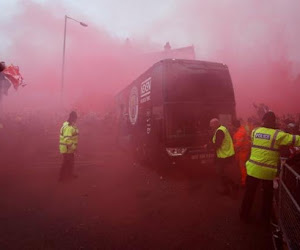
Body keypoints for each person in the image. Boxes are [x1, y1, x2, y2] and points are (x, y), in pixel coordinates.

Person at [240, 111, 300, 224]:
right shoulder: (278, 134)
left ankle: (244, 215)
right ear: (274, 121)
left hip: (253, 169)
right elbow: (295, 140)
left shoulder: (255, 131)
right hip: (268, 172)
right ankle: (264, 219)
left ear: (263, 120)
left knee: (249, 194)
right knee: (267, 197)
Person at [210, 118, 239, 196]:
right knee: (224, 173)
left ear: (215, 123)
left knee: (221, 173)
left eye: (211, 124)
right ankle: (232, 186)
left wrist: (208, 146)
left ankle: (228, 188)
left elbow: (217, 144)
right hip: (226, 154)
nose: (210, 126)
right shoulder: (222, 128)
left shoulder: (219, 131)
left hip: (223, 156)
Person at [59, 111, 79, 181]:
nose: (76, 120)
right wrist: (74, 147)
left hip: (68, 148)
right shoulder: (68, 127)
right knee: (66, 163)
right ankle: (62, 178)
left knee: (71, 162)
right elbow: (67, 139)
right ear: (73, 118)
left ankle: (69, 174)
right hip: (67, 148)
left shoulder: (70, 125)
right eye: (75, 118)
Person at [233, 120, 251, 187]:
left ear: (234, 126)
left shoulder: (239, 133)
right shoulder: (241, 129)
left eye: (231, 125)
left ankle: (244, 182)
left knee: (243, 167)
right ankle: (245, 180)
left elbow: (238, 145)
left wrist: (230, 147)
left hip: (243, 152)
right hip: (244, 151)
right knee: (244, 167)